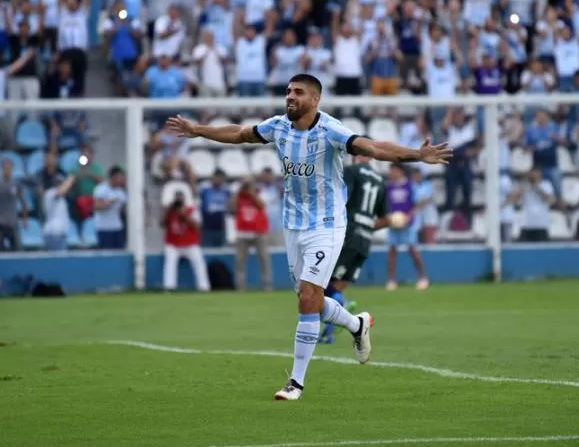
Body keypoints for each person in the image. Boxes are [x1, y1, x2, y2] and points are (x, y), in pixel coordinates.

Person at [166, 73, 452, 401]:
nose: (290, 96)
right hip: (293, 225)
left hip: (327, 224)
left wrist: (417, 155)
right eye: (288, 91)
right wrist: (199, 130)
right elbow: (241, 133)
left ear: (315, 100)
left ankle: (296, 383)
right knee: (310, 301)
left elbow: (372, 146)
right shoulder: (278, 126)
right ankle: (357, 325)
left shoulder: (330, 130)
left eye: (298, 92)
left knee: (308, 298)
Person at [321, 153, 389, 345]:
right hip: (365, 240)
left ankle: (344, 304)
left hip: (348, 234)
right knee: (337, 284)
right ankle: (328, 333)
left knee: (323, 284)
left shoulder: (352, 171)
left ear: (357, 155)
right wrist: (366, 225)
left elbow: (341, 201)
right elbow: (385, 219)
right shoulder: (380, 181)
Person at [385, 163, 430, 291]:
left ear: (400, 171)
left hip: (408, 224)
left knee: (413, 250)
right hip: (393, 223)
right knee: (392, 251)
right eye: (391, 171)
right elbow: (385, 204)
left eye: (394, 170)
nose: (391, 173)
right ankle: (391, 280)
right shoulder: (388, 186)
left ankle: (423, 278)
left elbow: (416, 204)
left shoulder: (410, 185)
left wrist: (409, 216)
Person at [162, 193, 211, 292]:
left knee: (199, 263)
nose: (179, 201)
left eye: (181, 199)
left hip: (190, 244)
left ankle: (204, 287)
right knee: (170, 262)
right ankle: (169, 286)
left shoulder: (192, 209)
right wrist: (168, 211)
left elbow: (197, 225)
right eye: (177, 199)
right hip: (173, 244)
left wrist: (185, 215)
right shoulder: (170, 210)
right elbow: (162, 224)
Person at [232, 179, 272, 291]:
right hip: (242, 232)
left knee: (264, 258)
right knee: (239, 260)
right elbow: (231, 207)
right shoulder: (239, 196)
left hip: (259, 231)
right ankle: (240, 285)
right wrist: (239, 192)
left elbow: (262, 205)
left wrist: (252, 194)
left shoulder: (261, 192)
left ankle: (266, 284)